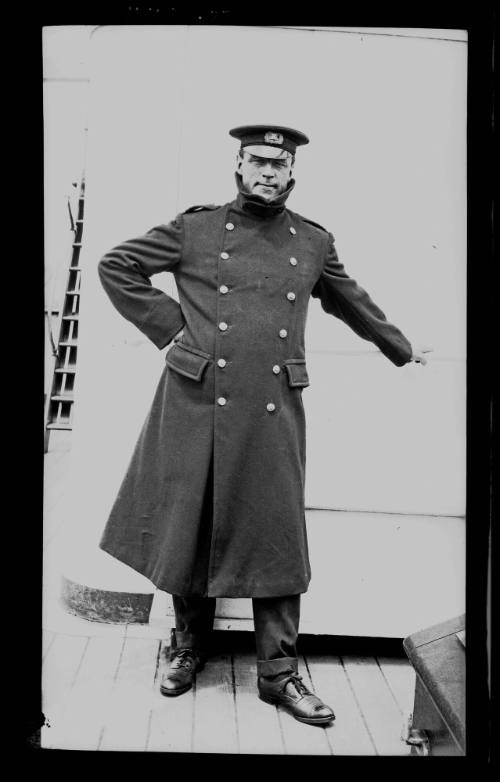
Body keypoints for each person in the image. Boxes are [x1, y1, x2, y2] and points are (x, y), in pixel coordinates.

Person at [98, 124, 431, 727]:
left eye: (279, 164)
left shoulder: (311, 240)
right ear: (239, 165)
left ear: (293, 171)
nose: (269, 173)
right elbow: (117, 265)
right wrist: (176, 334)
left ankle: (278, 674)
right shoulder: (195, 228)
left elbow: (349, 297)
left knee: (274, 536)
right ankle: (189, 645)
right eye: (258, 162)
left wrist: (400, 347)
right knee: (189, 525)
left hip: (274, 405)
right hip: (196, 400)